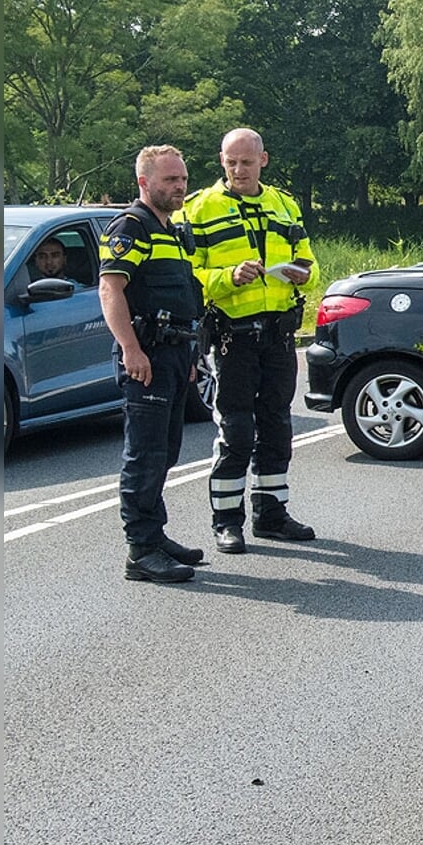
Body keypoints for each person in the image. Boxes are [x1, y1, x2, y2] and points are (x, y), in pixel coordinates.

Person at [181, 128, 320, 553]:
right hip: (231, 338)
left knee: (278, 426)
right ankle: (226, 520)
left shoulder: (283, 203)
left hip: (278, 334)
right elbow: (188, 277)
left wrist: (303, 273)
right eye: (230, 162)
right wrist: (228, 277)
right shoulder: (200, 209)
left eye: (245, 161)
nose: (238, 169)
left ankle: (271, 513)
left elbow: (310, 262)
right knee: (237, 429)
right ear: (221, 161)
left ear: (264, 160)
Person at [98, 145, 205, 583]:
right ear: (144, 182)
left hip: (176, 354)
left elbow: (182, 298)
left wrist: (191, 356)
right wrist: (130, 349)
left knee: (167, 452)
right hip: (148, 356)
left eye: (182, 179)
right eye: (169, 180)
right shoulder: (131, 227)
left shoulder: (173, 229)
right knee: (144, 455)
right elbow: (111, 291)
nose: (179, 186)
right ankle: (141, 550)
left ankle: (155, 535)